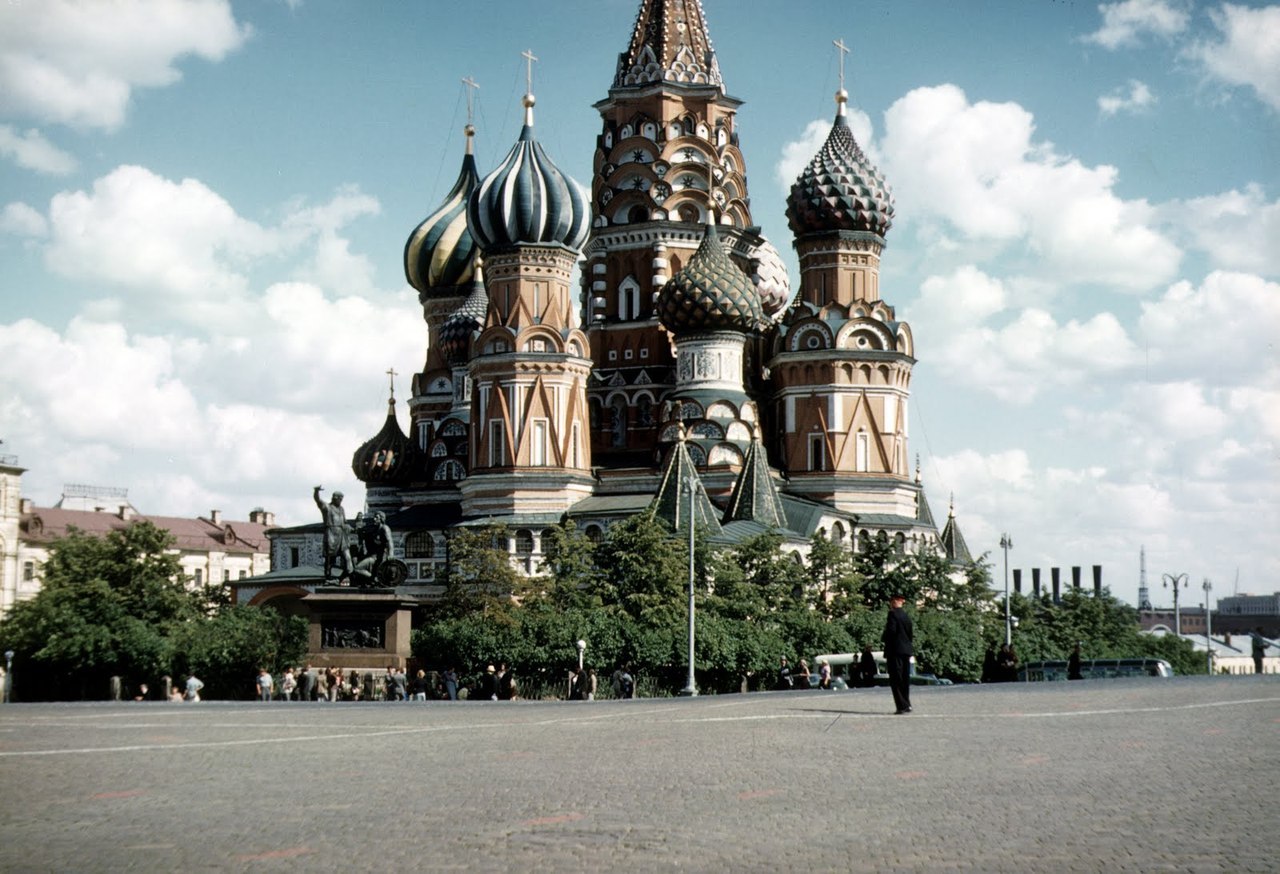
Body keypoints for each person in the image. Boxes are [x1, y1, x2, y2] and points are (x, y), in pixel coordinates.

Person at [882, 593, 914, 714]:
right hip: (906, 650)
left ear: (895, 601)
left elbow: (891, 631)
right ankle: (907, 704)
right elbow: (910, 634)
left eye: (891, 601)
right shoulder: (906, 616)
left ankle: (901, 706)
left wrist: (884, 638)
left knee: (896, 679)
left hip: (895, 651)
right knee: (905, 679)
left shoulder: (892, 614)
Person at [313, 485, 352, 580]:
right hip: (330, 534)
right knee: (330, 558)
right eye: (339, 499)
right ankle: (328, 576)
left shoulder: (341, 509)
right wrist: (316, 491)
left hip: (341, 535)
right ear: (335, 498)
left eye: (342, 499)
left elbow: (344, 522)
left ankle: (347, 574)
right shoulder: (327, 507)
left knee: (347, 556)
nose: (341, 501)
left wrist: (349, 527)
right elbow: (318, 500)